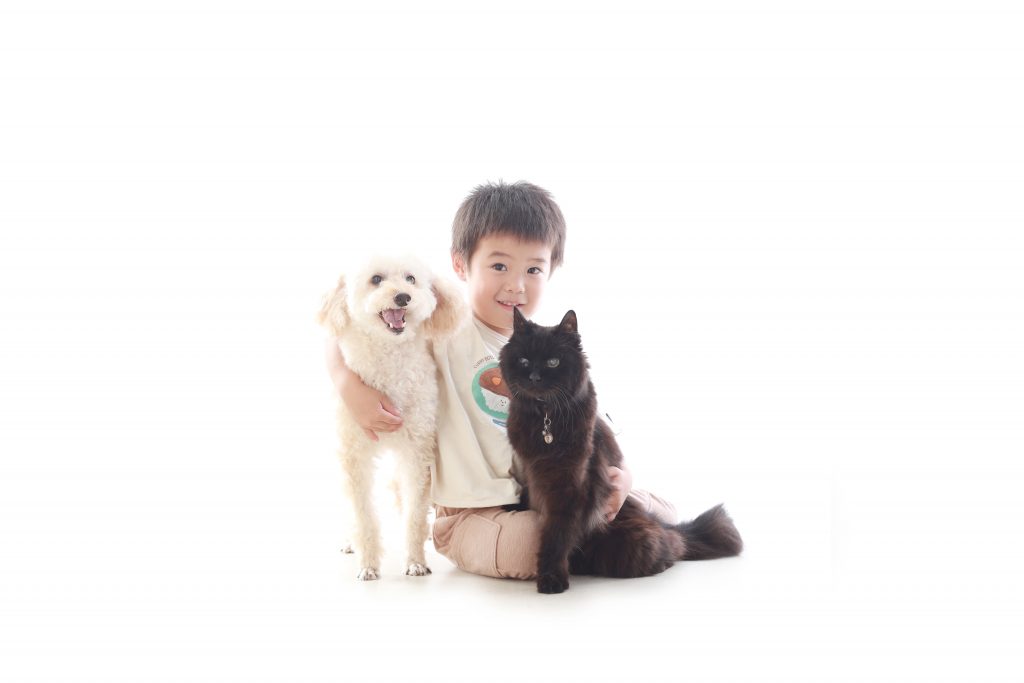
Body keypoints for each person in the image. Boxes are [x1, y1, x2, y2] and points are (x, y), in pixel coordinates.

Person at [324, 180, 678, 579]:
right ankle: (590, 538)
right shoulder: (446, 328)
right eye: (499, 266)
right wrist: (347, 383)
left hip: (536, 495)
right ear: (461, 264)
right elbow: (346, 328)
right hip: (470, 512)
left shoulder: (545, 346)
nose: (516, 285)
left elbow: (589, 418)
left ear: (552, 270)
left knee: (635, 507)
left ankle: (613, 521)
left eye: (533, 269)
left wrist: (623, 474)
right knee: (527, 547)